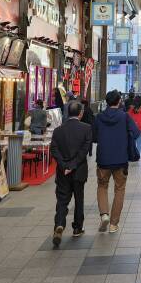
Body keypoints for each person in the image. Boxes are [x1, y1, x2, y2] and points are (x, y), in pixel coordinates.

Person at [93, 90, 140, 233]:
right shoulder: (124, 117)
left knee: (102, 186)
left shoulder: (99, 117)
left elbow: (94, 137)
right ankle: (113, 224)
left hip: (103, 159)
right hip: (120, 159)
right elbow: (137, 133)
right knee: (119, 189)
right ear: (119, 101)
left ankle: (104, 215)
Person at [50, 100, 93, 246]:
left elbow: (54, 150)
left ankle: (59, 224)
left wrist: (64, 166)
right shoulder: (86, 128)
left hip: (63, 172)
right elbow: (84, 151)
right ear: (80, 113)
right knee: (79, 199)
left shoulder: (58, 130)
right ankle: (77, 228)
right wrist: (73, 165)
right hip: (79, 171)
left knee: (62, 199)